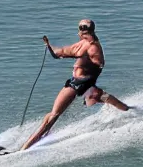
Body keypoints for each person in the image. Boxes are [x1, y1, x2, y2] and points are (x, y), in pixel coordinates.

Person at [21, 19, 130, 151]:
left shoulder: (93, 46)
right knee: (104, 97)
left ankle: (25, 148)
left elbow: (98, 62)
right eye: (80, 28)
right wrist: (49, 46)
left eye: (84, 29)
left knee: (54, 114)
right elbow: (60, 53)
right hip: (85, 84)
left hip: (79, 84)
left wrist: (90, 67)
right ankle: (131, 112)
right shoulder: (84, 44)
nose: (81, 31)